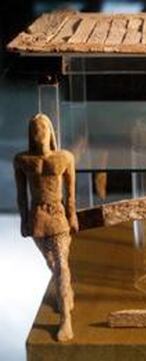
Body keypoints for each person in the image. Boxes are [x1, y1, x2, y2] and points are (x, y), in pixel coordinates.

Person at [14, 113, 78, 342]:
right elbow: (21, 194)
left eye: (42, 128)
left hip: (58, 215)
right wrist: (23, 219)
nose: (38, 134)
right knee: (52, 263)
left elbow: (70, 192)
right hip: (37, 217)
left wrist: (72, 216)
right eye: (34, 130)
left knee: (61, 265)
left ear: (51, 131)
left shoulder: (64, 158)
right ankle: (66, 292)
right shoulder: (23, 160)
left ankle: (65, 320)